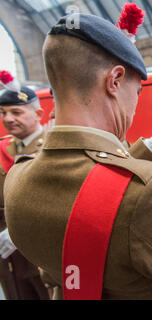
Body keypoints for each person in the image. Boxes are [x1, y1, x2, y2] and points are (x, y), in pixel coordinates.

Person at [4, 5, 152, 300]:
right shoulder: (151, 190)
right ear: (115, 80)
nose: (135, 103)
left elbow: (93, 193)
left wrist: (149, 148)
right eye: (137, 91)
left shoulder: (17, 178)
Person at [0, 71, 49, 299]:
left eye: (16, 112)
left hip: (41, 249)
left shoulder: (53, 147)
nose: (8, 118)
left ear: (38, 113)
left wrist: (18, 229)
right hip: (8, 255)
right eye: (3, 112)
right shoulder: (3, 148)